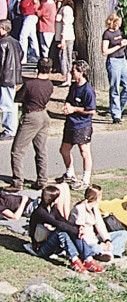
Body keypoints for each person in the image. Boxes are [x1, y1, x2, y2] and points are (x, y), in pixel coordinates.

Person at [29, 184, 103, 273]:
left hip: (52, 245)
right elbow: (58, 224)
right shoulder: (40, 212)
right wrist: (76, 231)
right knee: (62, 232)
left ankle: (88, 259)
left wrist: (78, 229)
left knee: (69, 230)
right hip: (40, 248)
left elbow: (62, 220)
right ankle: (75, 260)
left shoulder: (52, 208)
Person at [10, 58, 55, 192]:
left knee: (17, 151)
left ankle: (17, 182)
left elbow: (18, 97)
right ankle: (42, 179)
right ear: (50, 69)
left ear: (37, 68)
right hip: (44, 115)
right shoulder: (50, 85)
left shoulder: (30, 84)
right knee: (41, 149)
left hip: (31, 117)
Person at [59, 60, 95, 191]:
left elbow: (91, 110)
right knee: (64, 150)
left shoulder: (88, 90)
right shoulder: (73, 86)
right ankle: (70, 174)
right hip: (70, 123)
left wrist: (74, 109)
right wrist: (67, 107)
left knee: (84, 152)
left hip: (82, 125)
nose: (71, 73)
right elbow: (69, 101)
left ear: (81, 72)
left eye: (73, 71)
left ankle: (85, 179)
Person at [72, 185, 127, 260]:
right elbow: (81, 234)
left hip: (94, 238)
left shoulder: (94, 207)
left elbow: (100, 225)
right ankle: (105, 252)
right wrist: (99, 244)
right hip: (86, 241)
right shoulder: (80, 208)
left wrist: (107, 240)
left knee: (123, 234)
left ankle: (110, 252)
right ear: (97, 197)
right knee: (93, 248)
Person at [101, 13, 127, 125]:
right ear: (113, 22)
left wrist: (125, 44)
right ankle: (116, 116)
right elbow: (105, 51)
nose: (119, 25)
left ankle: (118, 108)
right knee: (114, 87)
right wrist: (119, 45)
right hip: (113, 61)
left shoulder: (120, 32)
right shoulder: (107, 34)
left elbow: (121, 44)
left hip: (122, 60)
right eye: (118, 23)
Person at [0, 19, 22, 141]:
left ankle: (9, 130)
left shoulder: (2, 43)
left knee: (6, 104)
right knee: (12, 103)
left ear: (3, 29)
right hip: (15, 76)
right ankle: (12, 128)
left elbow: (1, 61)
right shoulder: (16, 42)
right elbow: (21, 55)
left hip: (5, 77)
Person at [56, 0, 75, 78]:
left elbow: (66, 23)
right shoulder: (62, 8)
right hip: (63, 36)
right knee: (63, 56)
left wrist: (63, 39)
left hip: (66, 36)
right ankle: (67, 77)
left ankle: (68, 77)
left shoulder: (67, 9)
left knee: (66, 56)